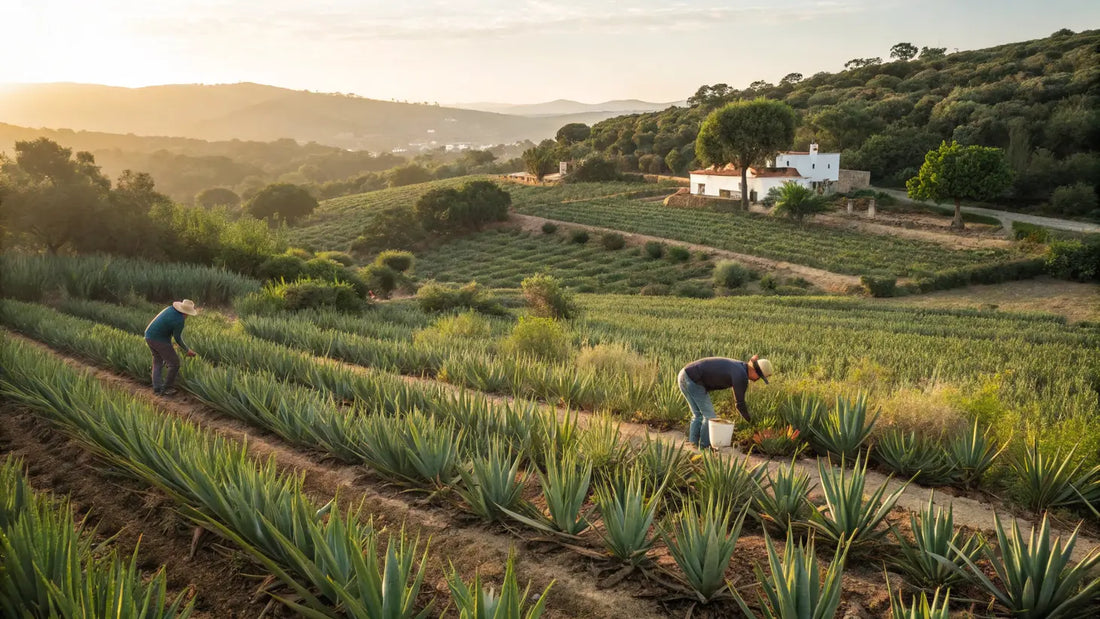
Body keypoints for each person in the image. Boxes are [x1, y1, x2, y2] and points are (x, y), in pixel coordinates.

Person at [678, 355, 773, 449]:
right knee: (709, 416)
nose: (757, 380)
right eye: (759, 377)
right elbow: (740, 404)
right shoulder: (741, 375)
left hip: (684, 374)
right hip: (693, 379)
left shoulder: (739, 367)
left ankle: (692, 447)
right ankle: (704, 449)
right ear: (755, 370)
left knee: (698, 415)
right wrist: (751, 422)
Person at [144, 299, 199, 396]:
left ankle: (157, 389)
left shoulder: (170, 309)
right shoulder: (179, 320)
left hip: (148, 335)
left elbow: (164, 327)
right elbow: (177, 338)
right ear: (186, 313)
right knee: (174, 363)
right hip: (159, 339)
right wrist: (187, 350)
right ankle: (167, 388)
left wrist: (169, 346)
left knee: (157, 361)